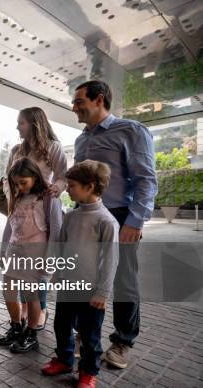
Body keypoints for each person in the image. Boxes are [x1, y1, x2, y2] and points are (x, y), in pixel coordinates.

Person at [71, 80, 157, 369]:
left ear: (99, 100)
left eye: (79, 101)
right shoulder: (81, 140)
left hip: (121, 217)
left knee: (124, 281)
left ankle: (122, 341)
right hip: (86, 215)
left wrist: (135, 221)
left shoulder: (131, 131)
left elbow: (146, 180)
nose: (74, 108)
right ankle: (85, 334)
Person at [41, 160, 119, 388]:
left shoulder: (106, 221)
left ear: (90, 186)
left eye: (72, 185)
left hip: (92, 291)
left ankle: (88, 371)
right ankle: (64, 359)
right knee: (61, 325)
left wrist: (103, 292)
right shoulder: (71, 217)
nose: (68, 189)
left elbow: (111, 260)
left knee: (89, 334)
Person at [3, 107, 68, 330]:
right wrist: (13, 195)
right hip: (21, 209)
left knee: (37, 273)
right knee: (18, 274)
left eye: (21, 123)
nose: (17, 127)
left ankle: (39, 311)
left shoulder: (53, 148)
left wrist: (54, 190)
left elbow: (62, 177)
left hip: (42, 208)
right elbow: (8, 179)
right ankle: (25, 312)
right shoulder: (16, 150)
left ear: (34, 124)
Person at [0, 157, 63, 353]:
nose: (20, 187)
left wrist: (50, 259)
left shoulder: (49, 198)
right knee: (8, 291)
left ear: (35, 176)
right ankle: (16, 326)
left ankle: (32, 334)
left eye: (23, 182)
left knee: (31, 295)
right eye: (16, 184)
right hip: (14, 251)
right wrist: (2, 251)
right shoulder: (17, 198)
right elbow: (10, 225)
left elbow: (56, 229)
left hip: (36, 254)